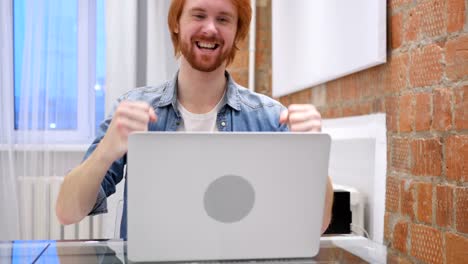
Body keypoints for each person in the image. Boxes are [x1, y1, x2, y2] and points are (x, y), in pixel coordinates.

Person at [56, 0, 333, 239]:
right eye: (199, 15)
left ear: (237, 32)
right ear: (177, 22)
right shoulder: (133, 109)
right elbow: (67, 212)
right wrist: (106, 150)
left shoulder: (271, 118)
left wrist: (313, 152)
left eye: (223, 19)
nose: (210, 29)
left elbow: (318, 225)